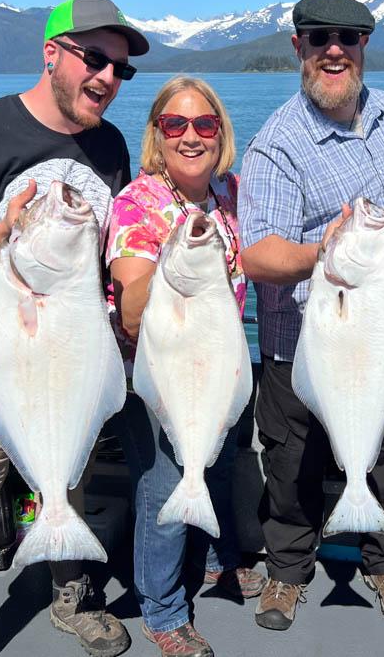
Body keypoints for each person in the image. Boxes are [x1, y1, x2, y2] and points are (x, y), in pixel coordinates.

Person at [0, 0, 148, 657]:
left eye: (121, 70)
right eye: (94, 59)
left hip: (67, 356)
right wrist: (9, 228)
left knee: (61, 482)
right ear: (52, 53)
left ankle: (68, 594)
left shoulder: (110, 145)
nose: (107, 78)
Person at [238, 0, 384, 630]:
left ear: (365, 46)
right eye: (319, 39)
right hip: (301, 349)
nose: (334, 50)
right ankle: (288, 575)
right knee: (291, 472)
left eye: (348, 38)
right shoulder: (276, 147)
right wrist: (326, 251)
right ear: (299, 47)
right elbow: (257, 255)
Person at [107, 76, 265, 656]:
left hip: (217, 367)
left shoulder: (230, 194)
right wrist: (176, 257)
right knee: (163, 486)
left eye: (205, 124)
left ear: (220, 133)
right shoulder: (138, 203)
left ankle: (220, 562)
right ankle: (163, 607)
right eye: (176, 125)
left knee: (217, 468)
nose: (191, 136)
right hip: (160, 376)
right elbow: (130, 310)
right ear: (157, 134)